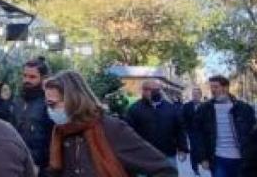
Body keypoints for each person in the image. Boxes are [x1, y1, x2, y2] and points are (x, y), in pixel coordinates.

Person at [44, 70, 177, 177]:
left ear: (74, 100)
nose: (50, 110)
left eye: (52, 104)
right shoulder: (61, 132)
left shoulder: (111, 128)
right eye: (47, 104)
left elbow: (164, 169)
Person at [194, 75, 257, 177]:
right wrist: (202, 158)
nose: (213, 90)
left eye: (216, 87)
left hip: (242, 159)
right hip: (218, 159)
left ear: (225, 88)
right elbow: (198, 135)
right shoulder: (204, 110)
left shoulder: (244, 109)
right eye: (211, 87)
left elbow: (254, 134)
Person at [127, 80, 189, 166]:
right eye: (150, 89)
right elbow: (129, 133)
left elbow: (179, 129)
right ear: (143, 91)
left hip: (167, 155)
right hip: (144, 157)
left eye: (157, 90)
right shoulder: (134, 109)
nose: (154, 92)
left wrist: (183, 148)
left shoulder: (171, 108)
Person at [12, 57, 56, 175]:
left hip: (42, 168)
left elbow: (54, 140)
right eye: (25, 76)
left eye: (32, 77)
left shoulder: (50, 103)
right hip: (18, 165)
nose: (27, 80)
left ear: (43, 78)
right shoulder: (18, 101)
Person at [181, 87, 205, 176]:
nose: (195, 96)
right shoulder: (186, 106)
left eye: (197, 94)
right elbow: (182, 119)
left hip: (203, 133)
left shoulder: (205, 106)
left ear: (200, 95)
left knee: (202, 149)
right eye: (193, 94)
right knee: (194, 149)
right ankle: (195, 168)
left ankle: (202, 162)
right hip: (191, 132)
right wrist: (185, 131)